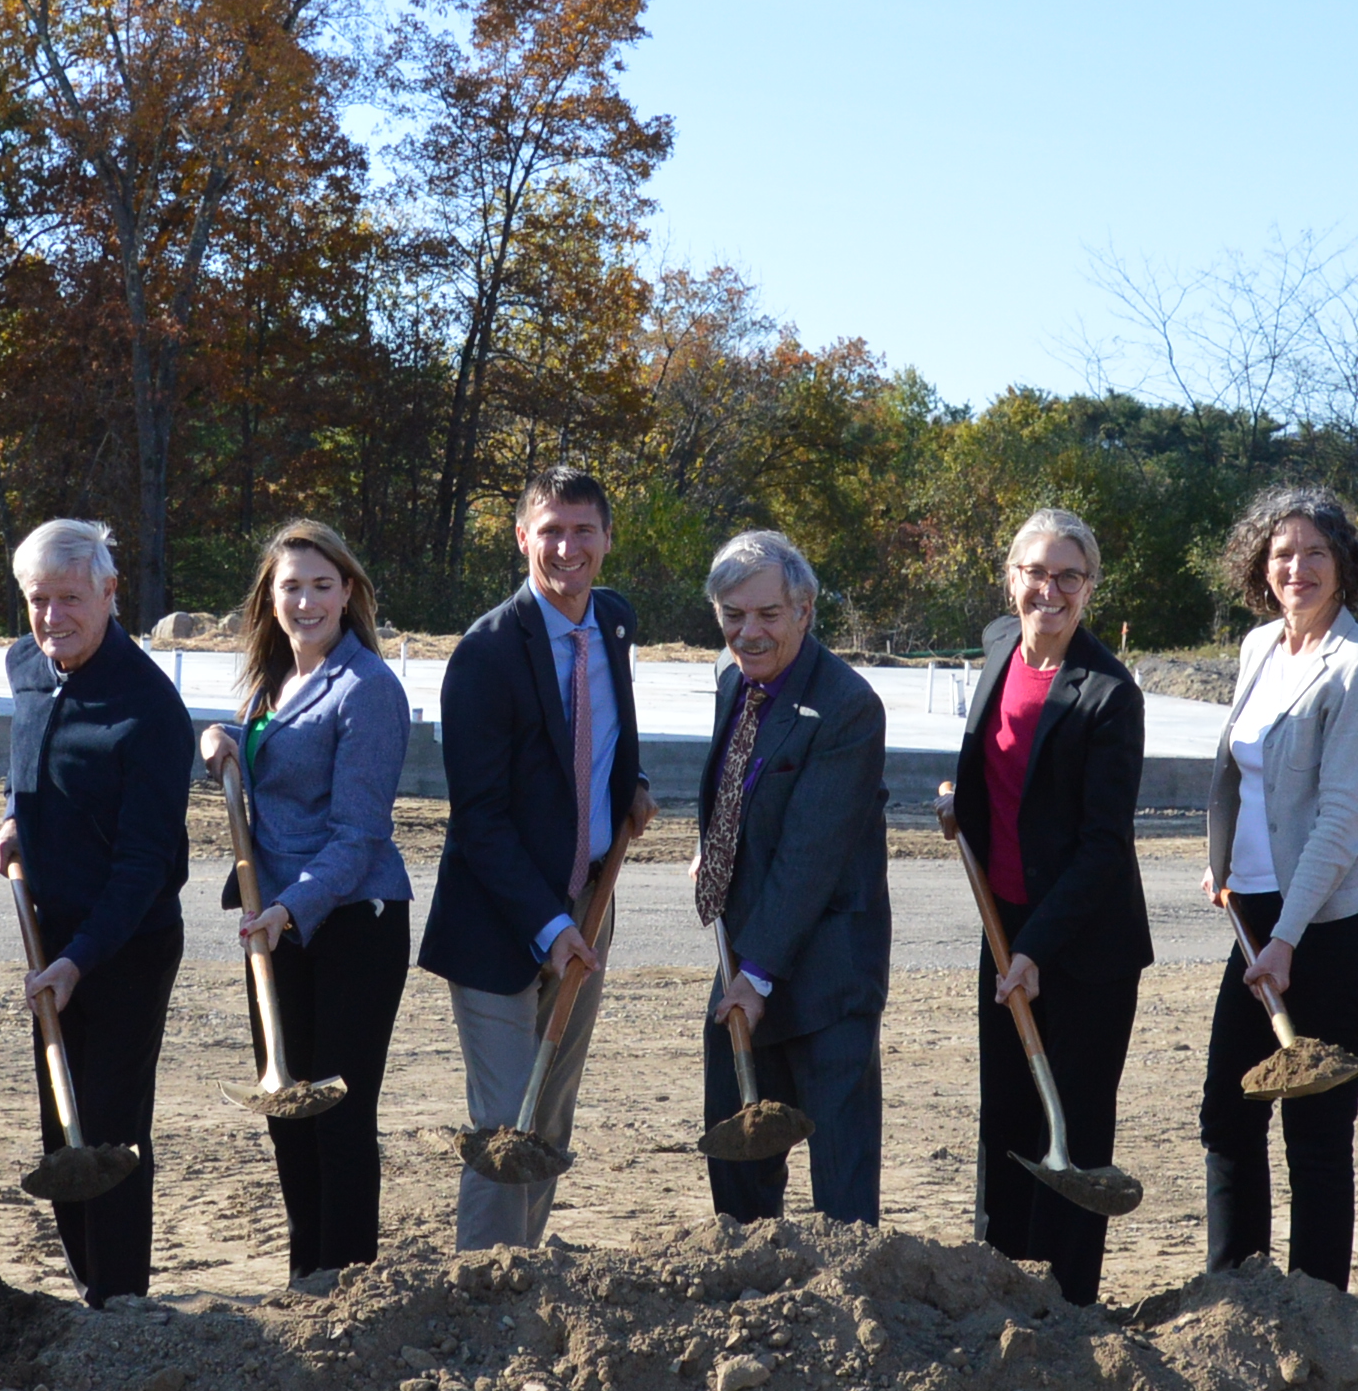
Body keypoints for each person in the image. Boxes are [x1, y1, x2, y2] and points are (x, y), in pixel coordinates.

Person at [417, 467, 656, 1251]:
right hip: (499, 920)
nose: (567, 547)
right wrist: (548, 925)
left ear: (607, 539)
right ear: (521, 537)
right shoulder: (485, 655)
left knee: (550, 1114)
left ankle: (523, 1271)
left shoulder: (614, 623)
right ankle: (484, 1285)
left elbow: (602, 735)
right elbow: (479, 820)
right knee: (506, 1117)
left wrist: (633, 788)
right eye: (550, 530)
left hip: (592, 899)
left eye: (583, 529)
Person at [943, 508, 1152, 1301]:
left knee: (1071, 1124)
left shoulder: (1108, 693)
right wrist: (958, 807)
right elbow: (997, 774)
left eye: (1069, 575)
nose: (1050, 589)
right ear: (1012, 578)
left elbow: (1104, 845)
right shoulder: (1001, 645)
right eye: (1036, 571)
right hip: (1006, 926)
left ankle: (1066, 1301)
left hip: (1084, 947)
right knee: (1006, 1115)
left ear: (1091, 588)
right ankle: (999, 1283)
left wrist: (1039, 948)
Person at [198, 519, 414, 1285]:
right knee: (288, 1110)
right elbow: (278, 765)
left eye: (323, 584)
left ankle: (345, 1281)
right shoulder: (274, 682)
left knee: (338, 1116)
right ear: (270, 596)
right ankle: (304, 1277)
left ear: (348, 592)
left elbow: (359, 834)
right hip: (276, 922)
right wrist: (222, 738)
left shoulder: (370, 689)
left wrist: (291, 910)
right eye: (291, 585)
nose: (307, 599)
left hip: (351, 920)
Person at [1199, 486, 1358, 1286]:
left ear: (1343, 565)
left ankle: (1321, 1312)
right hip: (1257, 920)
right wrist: (1225, 859)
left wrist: (1288, 938)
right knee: (1229, 1112)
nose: (1298, 567)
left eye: (1315, 552)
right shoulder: (1258, 648)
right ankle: (1236, 1290)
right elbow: (1239, 773)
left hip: (1335, 932)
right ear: (1260, 564)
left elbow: (1346, 821)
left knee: (1316, 1134)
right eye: (1282, 552)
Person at [0, 520, 193, 1301]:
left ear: (110, 593)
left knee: (107, 1131)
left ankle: (122, 1304)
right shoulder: (26, 666)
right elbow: (32, 759)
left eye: (69, 598)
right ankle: (85, 1291)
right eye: (38, 600)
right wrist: (21, 816)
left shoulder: (149, 711)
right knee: (59, 1128)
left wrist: (80, 961)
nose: (51, 618)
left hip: (125, 944)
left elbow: (144, 868)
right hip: (50, 932)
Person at [694, 530, 892, 1225]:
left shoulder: (848, 707)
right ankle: (749, 1308)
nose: (747, 633)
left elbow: (812, 852)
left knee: (840, 1190)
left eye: (767, 615)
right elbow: (740, 794)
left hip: (826, 974)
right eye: (731, 615)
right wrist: (716, 846)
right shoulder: (733, 681)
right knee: (738, 1169)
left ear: (804, 610)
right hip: (745, 953)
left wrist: (758, 975)